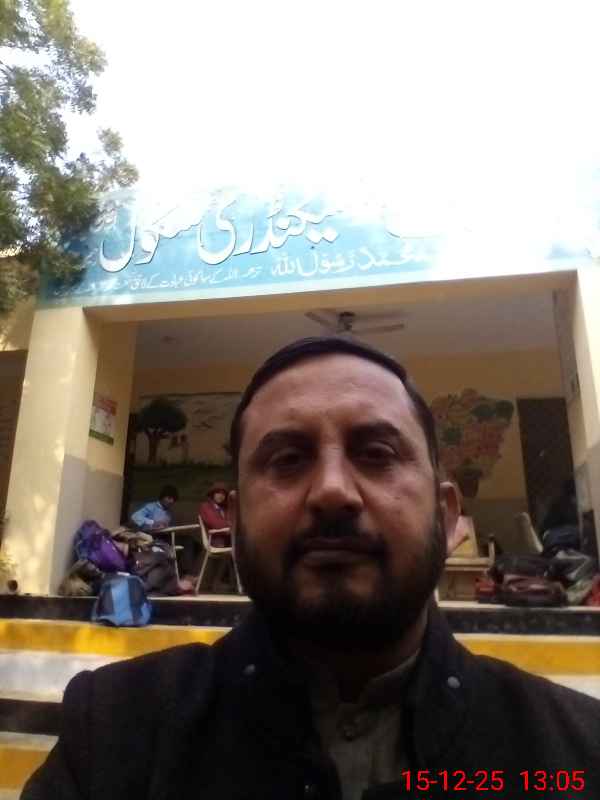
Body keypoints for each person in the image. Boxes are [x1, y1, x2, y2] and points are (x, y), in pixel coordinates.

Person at [23, 337, 600, 799]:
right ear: (236, 522)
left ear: (447, 516)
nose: (331, 491)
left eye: (376, 454)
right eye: (288, 458)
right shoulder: (113, 733)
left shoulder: (575, 752)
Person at [198, 482, 231, 547]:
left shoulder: (225, 508)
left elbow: (234, 521)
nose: (220, 496)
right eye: (218, 493)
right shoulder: (206, 506)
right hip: (215, 540)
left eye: (223, 494)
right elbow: (216, 524)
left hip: (229, 539)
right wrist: (231, 526)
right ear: (212, 494)